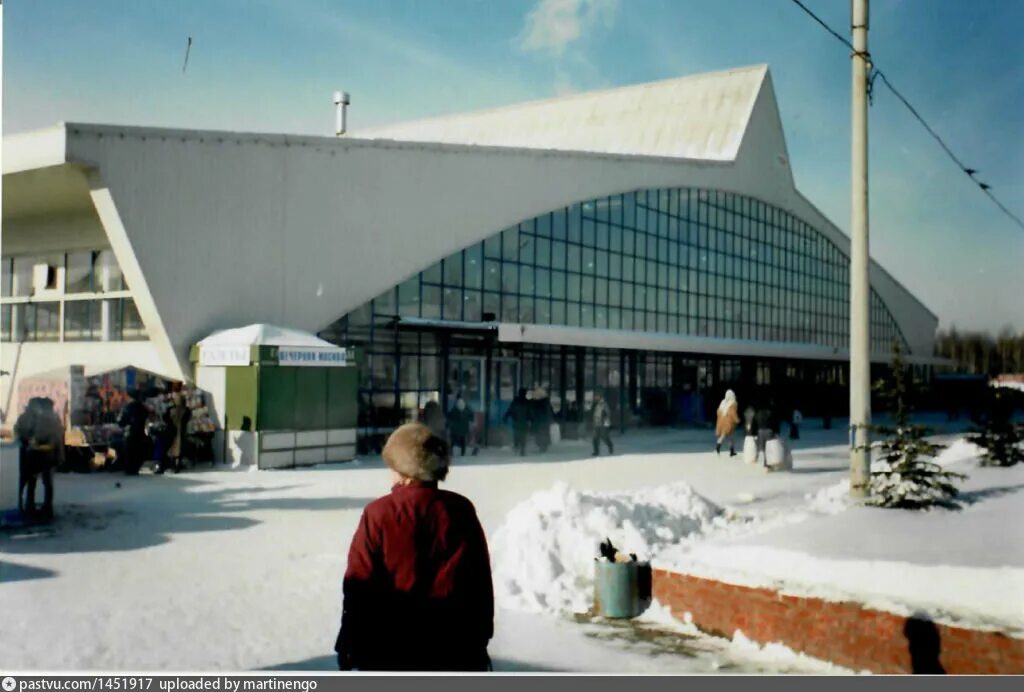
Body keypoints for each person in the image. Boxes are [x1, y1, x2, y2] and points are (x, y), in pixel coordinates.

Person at [334, 422, 493, 671]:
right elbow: (479, 581)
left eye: (392, 466)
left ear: (404, 471)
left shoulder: (379, 514)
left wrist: (350, 640)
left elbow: (359, 584)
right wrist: (480, 637)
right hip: (454, 649)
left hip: (389, 650)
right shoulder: (460, 510)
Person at [20, 398, 64, 521]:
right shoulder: (54, 418)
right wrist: (60, 455)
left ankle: (30, 507)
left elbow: (30, 434)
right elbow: (59, 438)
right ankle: (47, 508)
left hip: (37, 455)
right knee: (47, 482)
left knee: (32, 481)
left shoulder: (42, 419)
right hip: (49, 455)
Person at [117, 390, 150, 475]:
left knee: (130, 451)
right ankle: (135, 468)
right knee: (138, 451)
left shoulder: (128, 407)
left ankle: (129, 469)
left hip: (130, 432)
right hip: (140, 433)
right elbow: (147, 417)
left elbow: (121, 422)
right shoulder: (143, 408)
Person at [159, 393, 192, 474]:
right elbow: (187, 419)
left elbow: (165, 418)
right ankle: (177, 465)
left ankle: (169, 465)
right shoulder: (187, 410)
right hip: (181, 431)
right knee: (179, 448)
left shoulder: (170, 409)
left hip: (171, 431)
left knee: (169, 448)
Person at [503, 388, 532, 456]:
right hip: (524, 422)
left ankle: (517, 446)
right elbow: (530, 413)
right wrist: (531, 420)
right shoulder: (527, 402)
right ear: (525, 394)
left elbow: (510, 410)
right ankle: (522, 448)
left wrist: (505, 417)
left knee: (517, 434)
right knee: (523, 435)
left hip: (516, 421)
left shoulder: (515, 401)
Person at [715, 389, 740, 457]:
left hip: (721, 421)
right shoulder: (733, 403)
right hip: (729, 422)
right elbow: (732, 413)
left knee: (729, 437)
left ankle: (731, 451)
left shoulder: (723, 402)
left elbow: (718, 411)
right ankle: (718, 447)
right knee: (727, 436)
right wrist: (737, 420)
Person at [530, 387, 555, 453]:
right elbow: (550, 412)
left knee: (539, 434)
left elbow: (533, 412)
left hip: (539, 422)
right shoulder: (546, 402)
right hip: (545, 422)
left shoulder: (535, 403)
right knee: (544, 433)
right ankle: (544, 446)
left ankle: (542, 446)